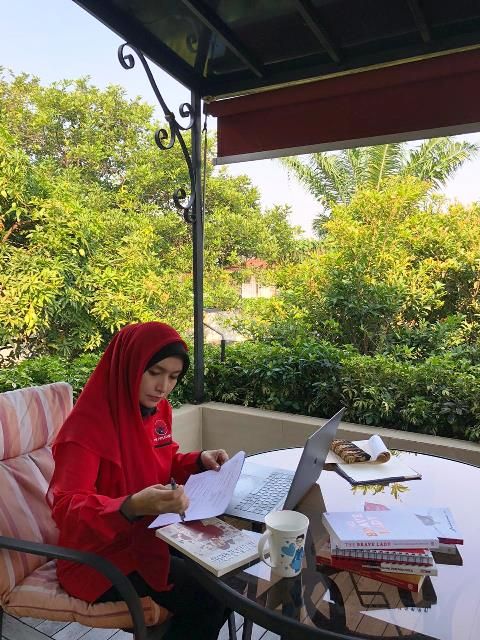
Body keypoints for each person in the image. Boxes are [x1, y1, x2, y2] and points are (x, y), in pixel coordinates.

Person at [48, 321, 230, 639]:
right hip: (98, 559)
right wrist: (130, 506)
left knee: (224, 577)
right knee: (210, 597)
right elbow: (66, 507)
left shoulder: (158, 411)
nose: (163, 387)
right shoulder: (86, 428)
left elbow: (165, 461)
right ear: (130, 366)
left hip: (151, 534)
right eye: (155, 372)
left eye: (173, 377)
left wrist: (199, 460)